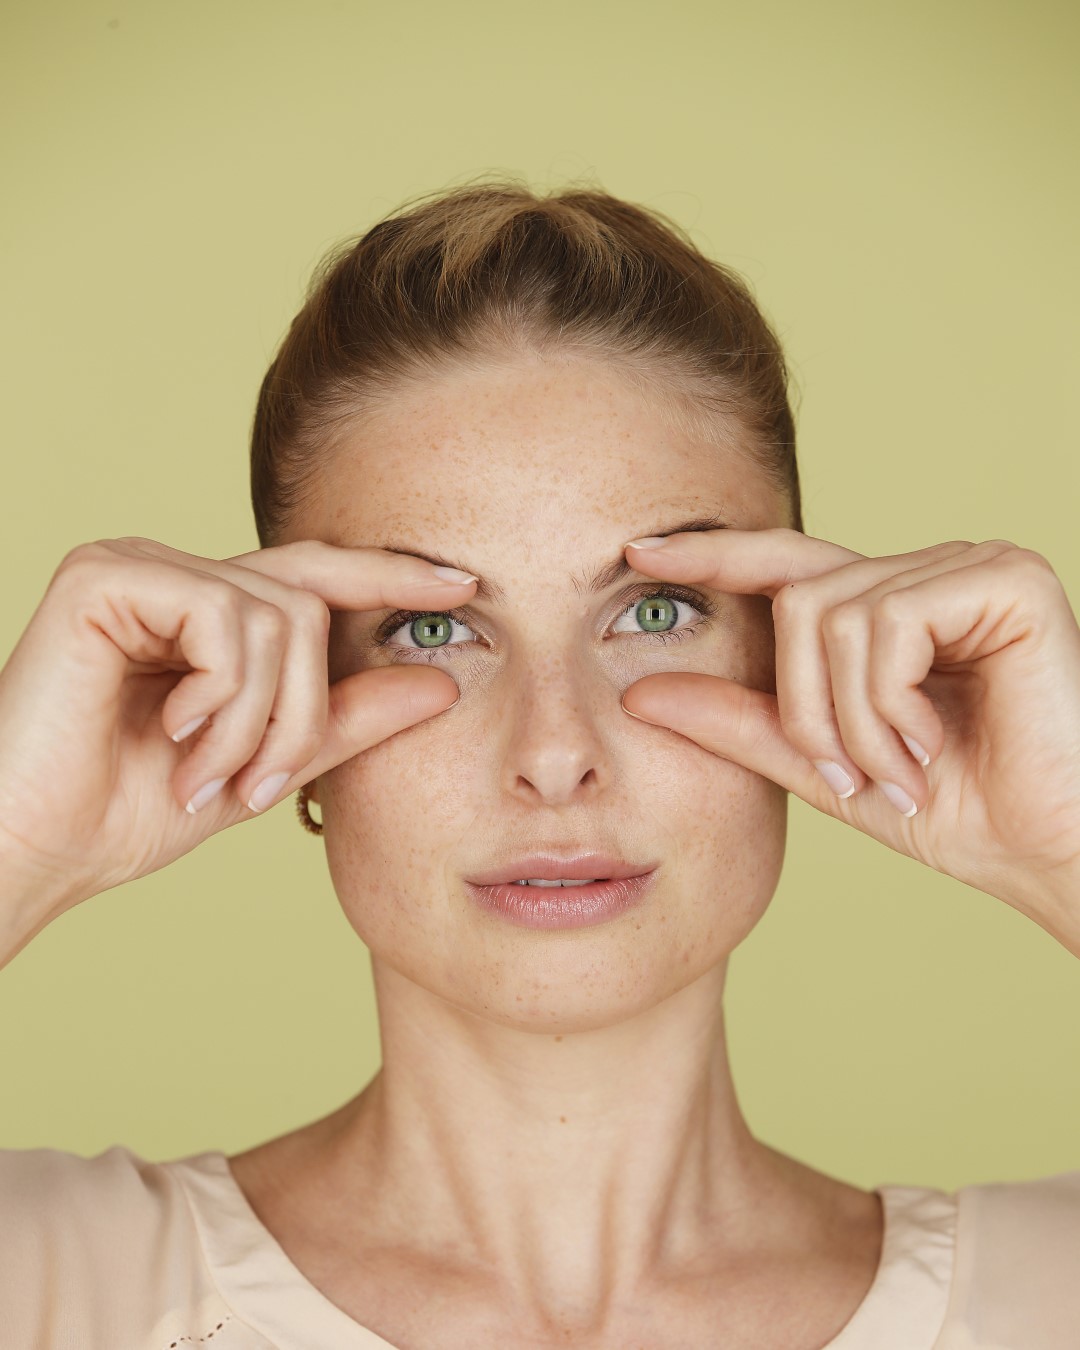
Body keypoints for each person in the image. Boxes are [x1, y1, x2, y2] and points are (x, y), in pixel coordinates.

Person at [1, 181, 1079, 1350]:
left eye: (658, 611)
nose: (555, 754)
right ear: (295, 706)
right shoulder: (51, 1282)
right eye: (431, 628)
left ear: (792, 661)